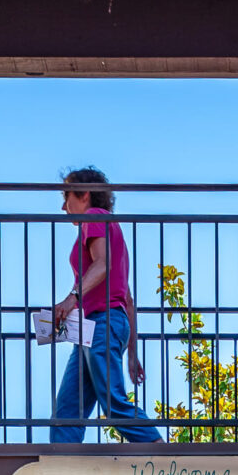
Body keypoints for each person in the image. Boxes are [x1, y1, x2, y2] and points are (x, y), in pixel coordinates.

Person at [48, 168, 162, 444]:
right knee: (67, 410)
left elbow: (102, 265)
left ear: (85, 194)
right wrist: (132, 351)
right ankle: (61, 469)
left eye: (67, 196)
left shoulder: (94, 217)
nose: (64, 207)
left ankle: (160, 451)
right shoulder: (112, 227)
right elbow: (128, 300)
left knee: (112, 403)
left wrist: (71, 298)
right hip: (100, 324)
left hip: (102, 322)